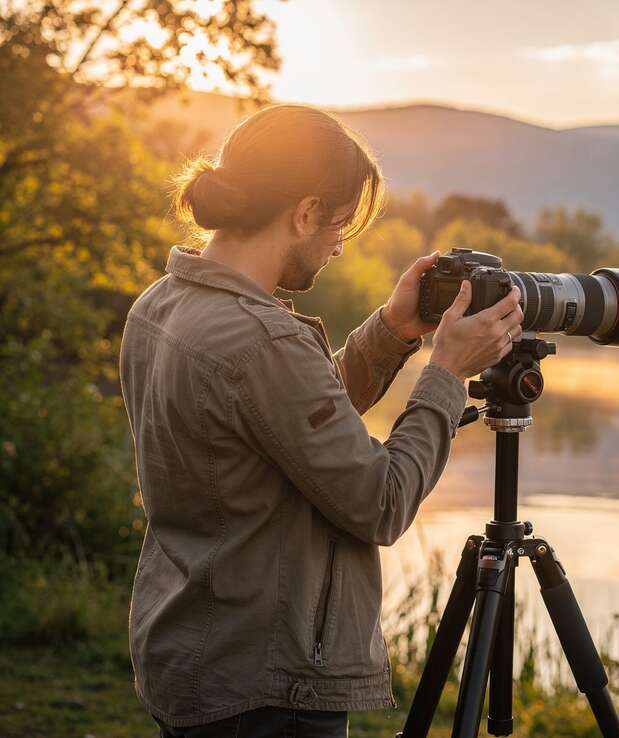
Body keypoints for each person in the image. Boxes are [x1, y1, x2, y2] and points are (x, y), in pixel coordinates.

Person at [118, 104, 523, 736]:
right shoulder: (262, 339)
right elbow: (381, 502)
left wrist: (392, 332)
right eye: (339, 224)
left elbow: (287, 425)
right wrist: (446, 372)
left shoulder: (162, 304)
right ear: (304, 212)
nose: (340, 245)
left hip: (196, 650)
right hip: (266, 684)